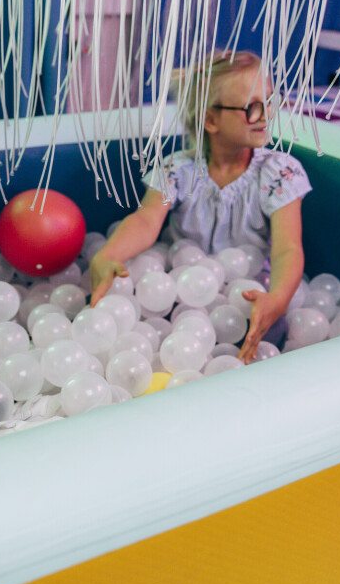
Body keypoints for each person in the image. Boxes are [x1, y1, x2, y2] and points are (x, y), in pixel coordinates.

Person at [89, 52, 311, 364]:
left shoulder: (278, 173)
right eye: (251, 107)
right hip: (183, 286)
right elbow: (146, 220)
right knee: (143, 320)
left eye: (270, 101)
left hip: (247, 289)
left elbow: (287, 248)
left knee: (268, 331)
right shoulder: (178, 169)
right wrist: (107, 256)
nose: (265, 115)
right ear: (210, 120)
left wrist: (278, 298)